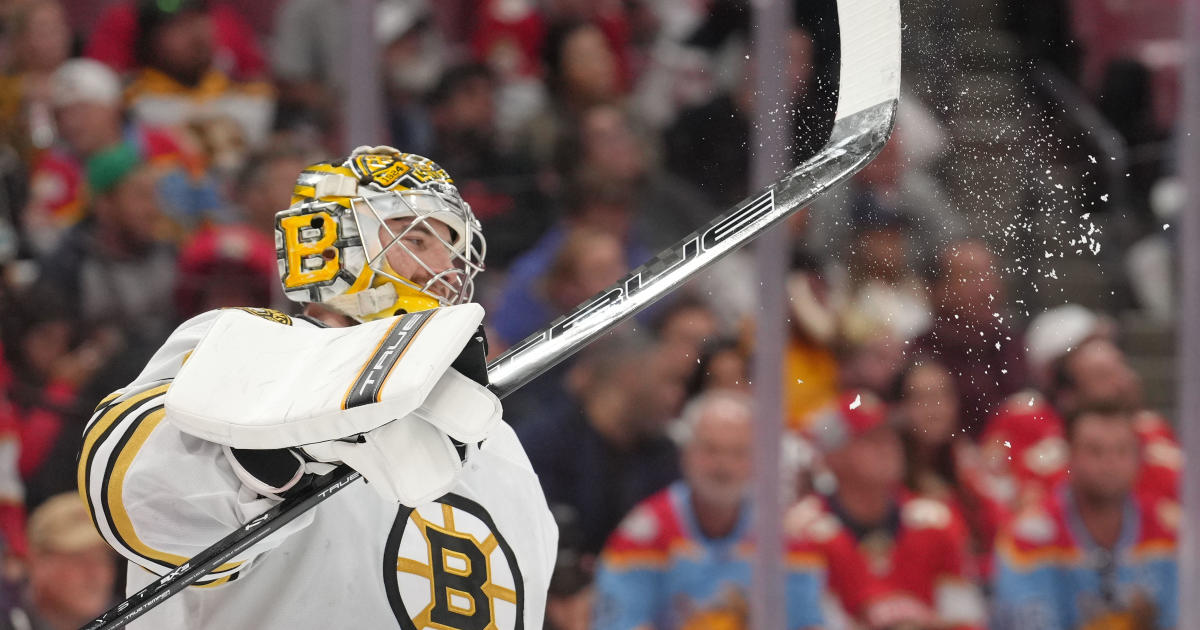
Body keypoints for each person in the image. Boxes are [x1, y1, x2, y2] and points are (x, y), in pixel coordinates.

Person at [78, 147, 558, 628]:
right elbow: (132, 497)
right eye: (418, 237)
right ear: (334, 243)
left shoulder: (498, 441)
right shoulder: (256, 348)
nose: (447, 267)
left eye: (452, 246)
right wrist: (278, 450)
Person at [592, 390, 826, 630]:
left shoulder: (785, 535)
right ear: (685, 453)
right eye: (710, 450)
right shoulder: (643, 534)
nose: (723, 465)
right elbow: (620, 623)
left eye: (738, 452)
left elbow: (808, 623)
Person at [790, 390, 986, 629]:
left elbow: (965, 622)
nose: (888, 447)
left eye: (890, 436)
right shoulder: (801, 533)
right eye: (870, 439)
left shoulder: (937, 522)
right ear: (832, 456)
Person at [991, 403, 1179, 629]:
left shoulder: (1171, 531)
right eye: (1095, 451)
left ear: (1139, 457)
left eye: (1122, 450)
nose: (1110, 463)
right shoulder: (1027, 538)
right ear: (1069, 455)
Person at [1, 493, 117, 630]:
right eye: (79, 558)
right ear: (37, 561)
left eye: (104, 558)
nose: (96, 574)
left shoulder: (137, 620)